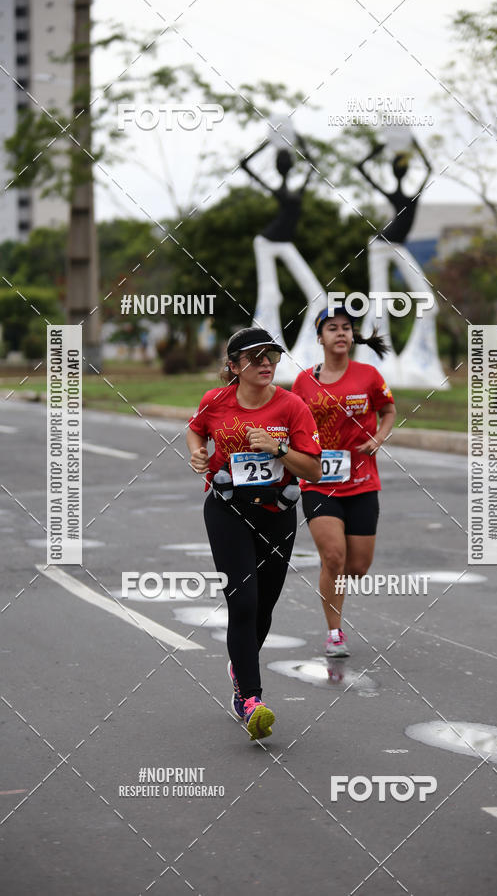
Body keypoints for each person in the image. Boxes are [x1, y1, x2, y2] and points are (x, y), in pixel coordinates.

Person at [186, 328, 322, 740]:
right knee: (242, 602)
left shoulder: (292, 406)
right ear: (234, 366)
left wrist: (278, 449)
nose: (266, 364)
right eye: (255, 357)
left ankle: (239, 665)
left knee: (264, 606)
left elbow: (314, 470)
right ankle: (250, 699)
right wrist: (197, 452)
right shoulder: (215, 401)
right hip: (227, 511)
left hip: (276, 513)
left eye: (272, 356)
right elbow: (196, 428)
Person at [292, 307, 396, 656]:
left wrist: (379, 437)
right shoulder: (304, 382)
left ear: (352, 336)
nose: (340, 333)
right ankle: (334, 632)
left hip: (363, 482)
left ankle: (333, 566)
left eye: (346, 328)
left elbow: (388, 411)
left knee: (357, 567)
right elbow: (293, 424)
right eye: (332, 328)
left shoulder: (369, 376)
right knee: (334, 557)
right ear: (319, 338)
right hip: (319, 482)